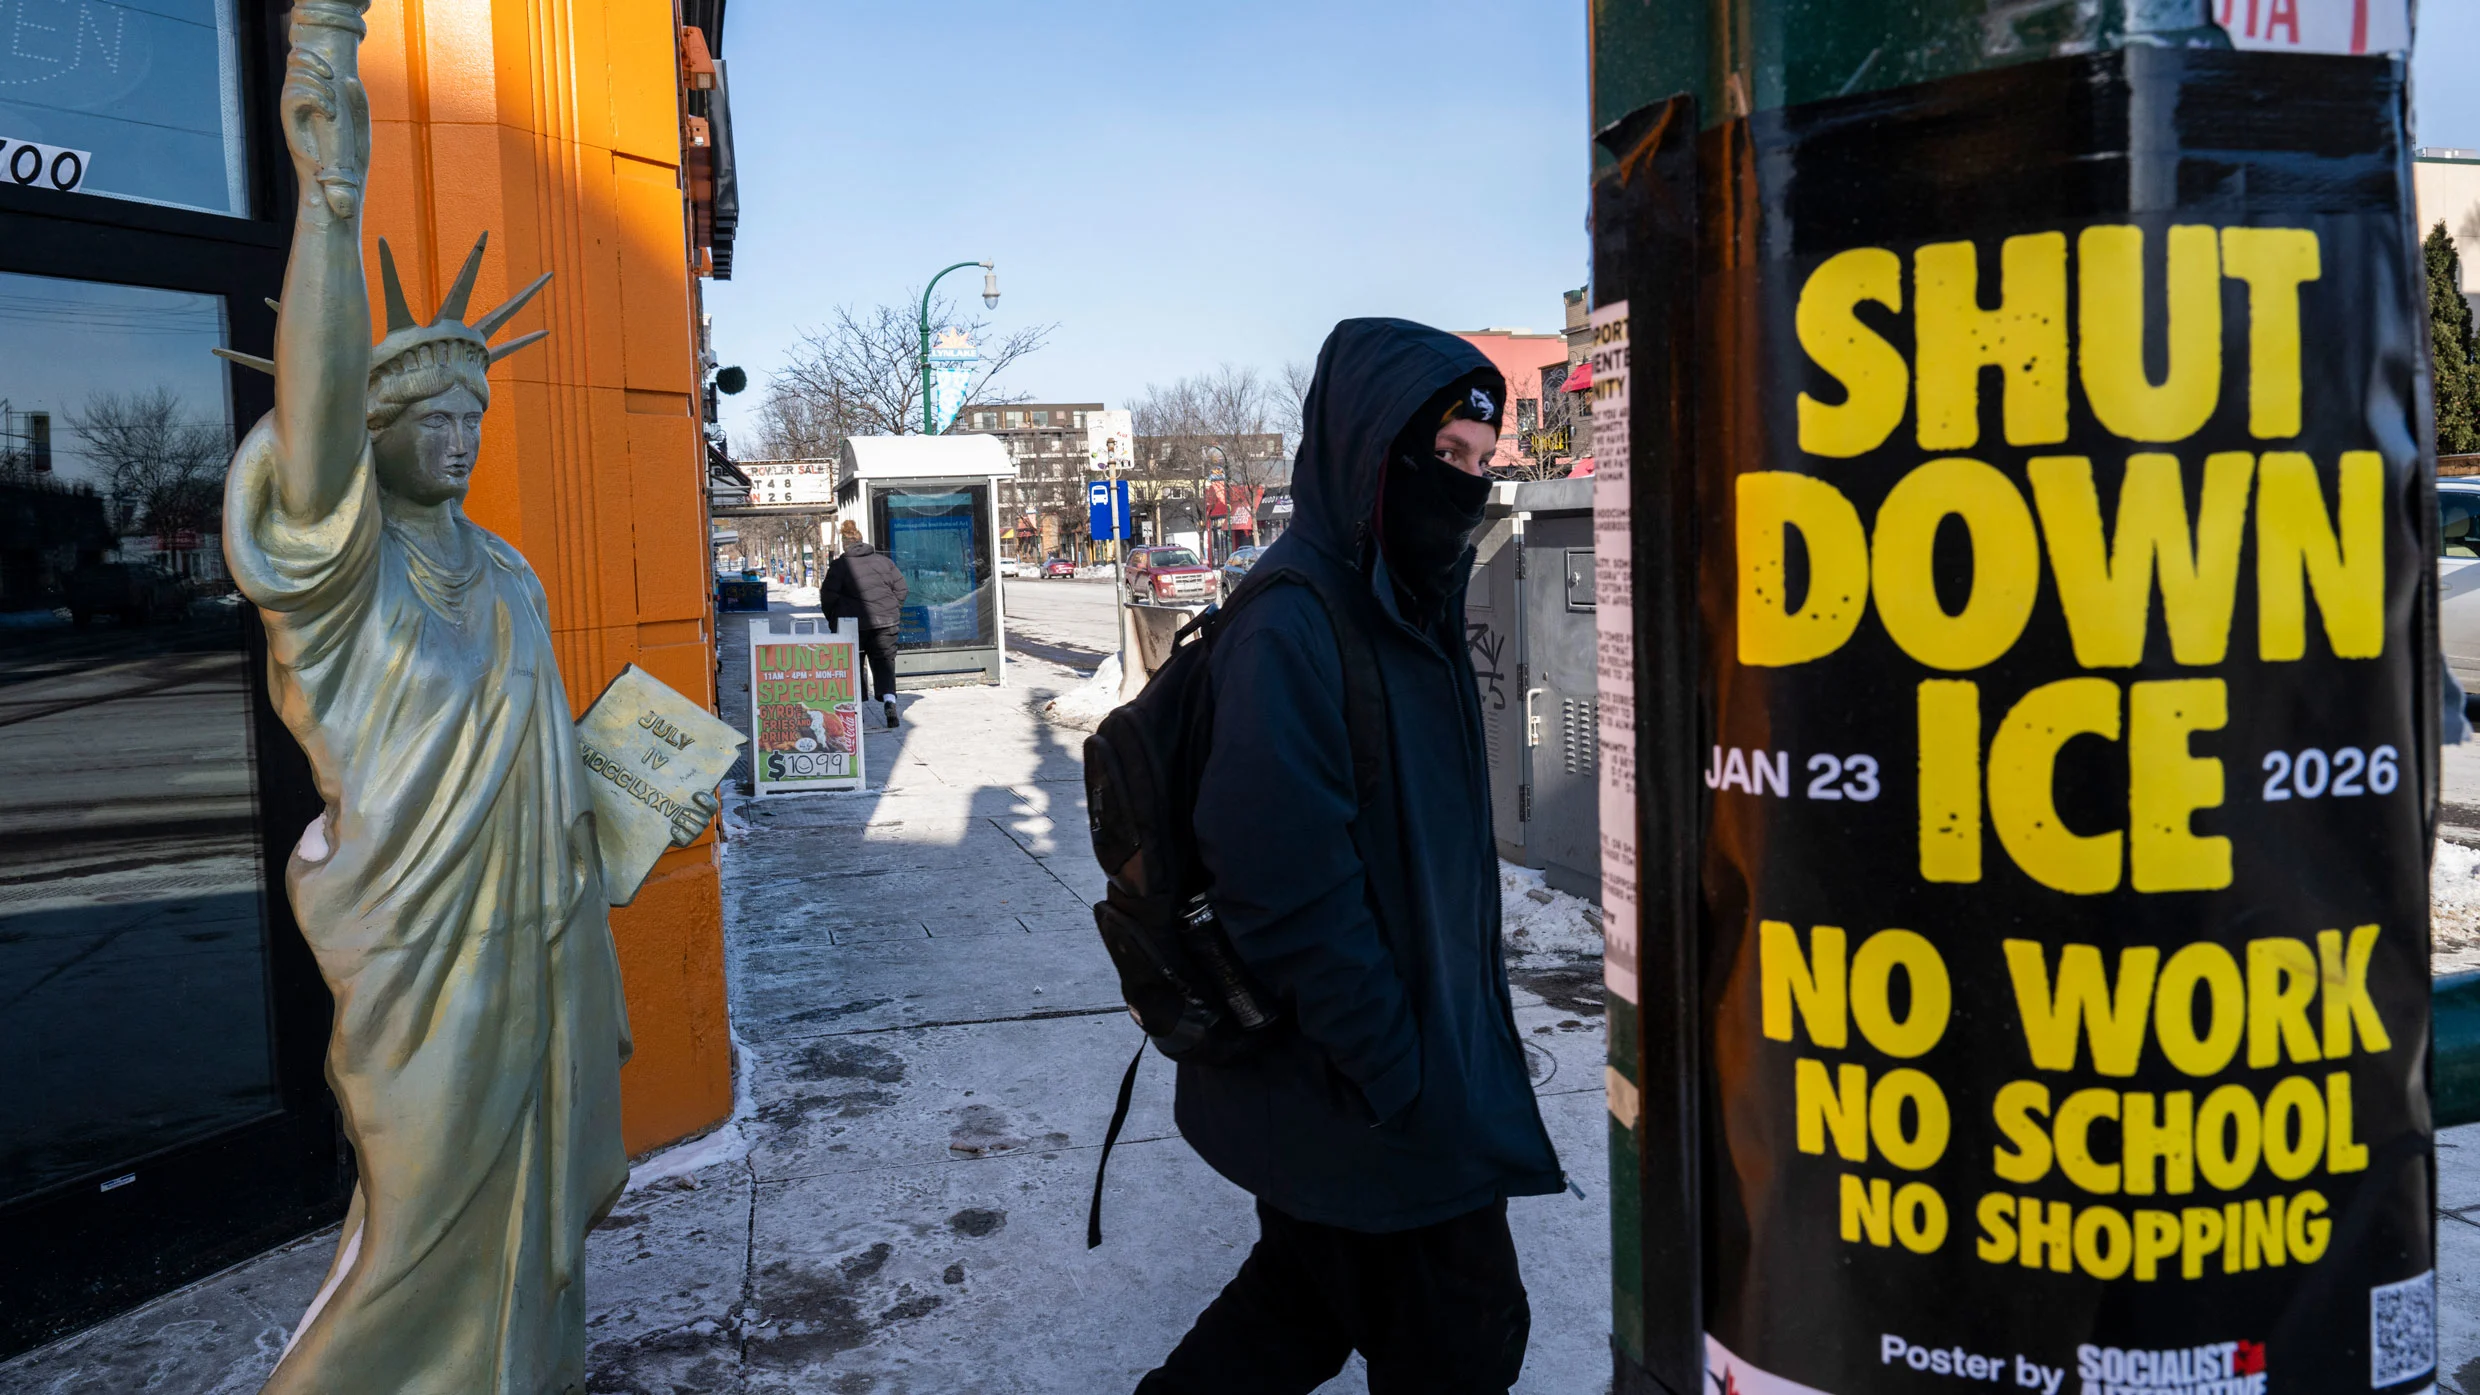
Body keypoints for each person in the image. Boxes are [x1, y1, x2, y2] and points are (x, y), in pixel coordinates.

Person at [222, 7, 712, 1389]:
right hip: (416, 943)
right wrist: (333, 202)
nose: (458, 438)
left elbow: (541, 746)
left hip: (537, 928)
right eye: (428, 419)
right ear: (370, 437)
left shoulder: (504, 571)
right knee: (424, 1211)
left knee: (533, 1209)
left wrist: (629, 796)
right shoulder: (343, 574)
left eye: (472, 419)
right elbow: (313, 431)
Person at [1137, 319, 1563, 1394]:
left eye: (1480, 461)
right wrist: (1394, 1071)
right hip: (1363, 1081)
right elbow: (1282, 882)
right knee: (1460, 1338)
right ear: (1371, 448)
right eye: (1443, 454)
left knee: (1302, 1302)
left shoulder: (1402, 597)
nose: (1463, 484)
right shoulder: (1295, 623)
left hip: (1381, 1068)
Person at [818, 518, 907, 727]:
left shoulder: (840, 566)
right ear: (861, 541)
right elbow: (902, 589)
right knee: (884, 662)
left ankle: (857, 709)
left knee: (853, 665)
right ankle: (889, 700)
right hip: (886, 623)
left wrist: (833, 619)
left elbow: (828, 597)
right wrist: (892, 609)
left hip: (851, 626)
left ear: (844, 544)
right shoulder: (884, 562)